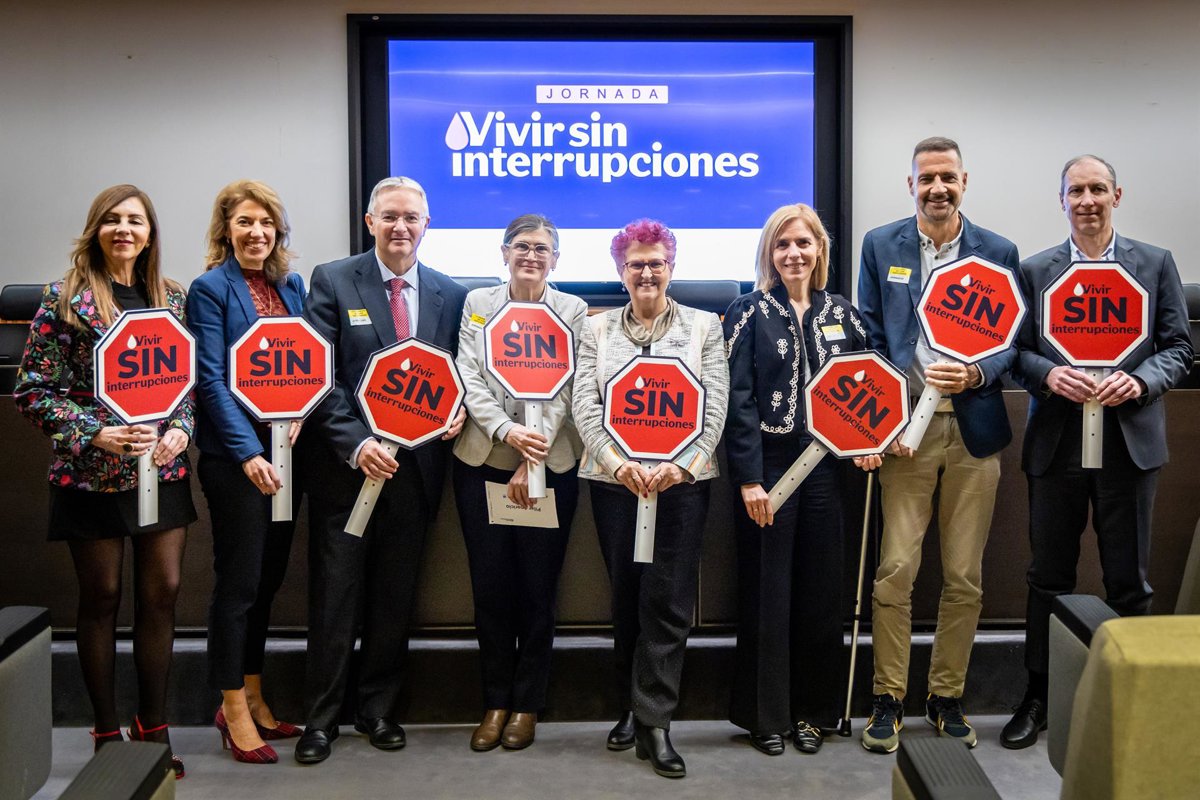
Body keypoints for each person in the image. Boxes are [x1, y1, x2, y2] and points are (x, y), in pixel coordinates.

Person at [1001, 155, 1192, 749]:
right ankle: (1039, 697)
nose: (1087, 200)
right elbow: (1013, 352)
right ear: (1061, 200)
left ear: (1117, 195)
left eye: (1098, 189)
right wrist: (1047, 374)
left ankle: (1132, 703)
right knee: (1047, 577)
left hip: (1129, 444)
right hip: (1057, 443)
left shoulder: (1155, 263)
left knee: (1128, 581)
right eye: (1076, 190)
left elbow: (1179, 348)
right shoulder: (1034, 271)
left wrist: (1141, 381)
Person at [14, 184, 195, 778]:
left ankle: (154, 730)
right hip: (90, 475)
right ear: (96, 229)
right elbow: (33, 390)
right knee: (102, 598)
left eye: (136, 221)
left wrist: (181, 429)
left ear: (150, 233)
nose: (125, 230)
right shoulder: (63, 297)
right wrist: (94, 433)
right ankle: (105, 732)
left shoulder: (171, 296)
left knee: (162, 594)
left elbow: (189, 383)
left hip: (160, 470)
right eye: (113, 220)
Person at [295, 176, 468, 764]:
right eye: (389, 216)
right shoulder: (333, 280)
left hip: (415, 475)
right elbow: (317, 374)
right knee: (335, 595)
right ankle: (321, 720)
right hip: (347, 473)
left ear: (426, 225)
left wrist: (458, 411)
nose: (401, 227)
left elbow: (458, 374)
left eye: (411, 217)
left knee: (395, 597)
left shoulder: (450, 293)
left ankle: (376, 710)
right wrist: (356, 443)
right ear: (370, 222)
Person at [856, 137, 1019, 753]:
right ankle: (888, 697)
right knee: (895, 569)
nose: (937, 188)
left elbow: (1013, 339)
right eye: (927, 178)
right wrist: (880, 422)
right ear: (911, 185)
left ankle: (946, 697)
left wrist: (977, 373)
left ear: (964, 182)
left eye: (947, 177)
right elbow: (871, 336)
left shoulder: (998, 251)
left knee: (964, 576)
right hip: (906, 435)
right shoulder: (881, 245)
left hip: (973, 431)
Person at [573, 218, 729, 779]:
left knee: (668, 600)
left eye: (655, 262)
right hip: (613, 484)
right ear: (620, 271)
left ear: (671, 267)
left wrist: (678, 466)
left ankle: (655, 722)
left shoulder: (705, 327)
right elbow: (585, 404)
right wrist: (619, 464)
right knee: (626, 598)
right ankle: (630, 705)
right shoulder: (595, 330)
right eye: (635, 263)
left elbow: (715, 403)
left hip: (681, 485)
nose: (645, 272)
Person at [724, 203, 875, 756]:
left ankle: (813, 712)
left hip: (827, 470)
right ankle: (765, 716)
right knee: (768, 591)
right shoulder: (748, 312)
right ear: (770, 252)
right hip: (768, 467)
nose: (794, 253)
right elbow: (737, 400)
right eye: (783, 244)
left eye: (803, 243)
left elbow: (868, 384)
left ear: (819, 251)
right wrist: (747, 478)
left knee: (820, 591)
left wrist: (869, 441)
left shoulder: (844, 314)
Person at [452, 214, 588, 752]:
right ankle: (494, 701)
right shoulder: (476, 304)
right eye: (522, 246)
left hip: (549, 465)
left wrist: (531, 452)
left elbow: (569, 387)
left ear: (556, 259)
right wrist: (507, 431)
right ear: (504, 252)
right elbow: (469, 375)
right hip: (482, 458)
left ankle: (527, 704)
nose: (531, 256)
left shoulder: (572, 310)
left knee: (538, 588)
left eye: (542, 249)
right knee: (490, 589)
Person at [186, 180, 308, 765]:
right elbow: (209, 380)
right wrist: (247, 453)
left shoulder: (292, 285)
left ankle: (255, 694)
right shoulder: (210, 289)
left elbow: (308, 361)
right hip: (238, 461)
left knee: (267, 579)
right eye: (244, 223)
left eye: (265, 223)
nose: (257, 233)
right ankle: (231, 705)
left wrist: (303, 412)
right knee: (237, 583)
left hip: (288, 454)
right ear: (226, 230)